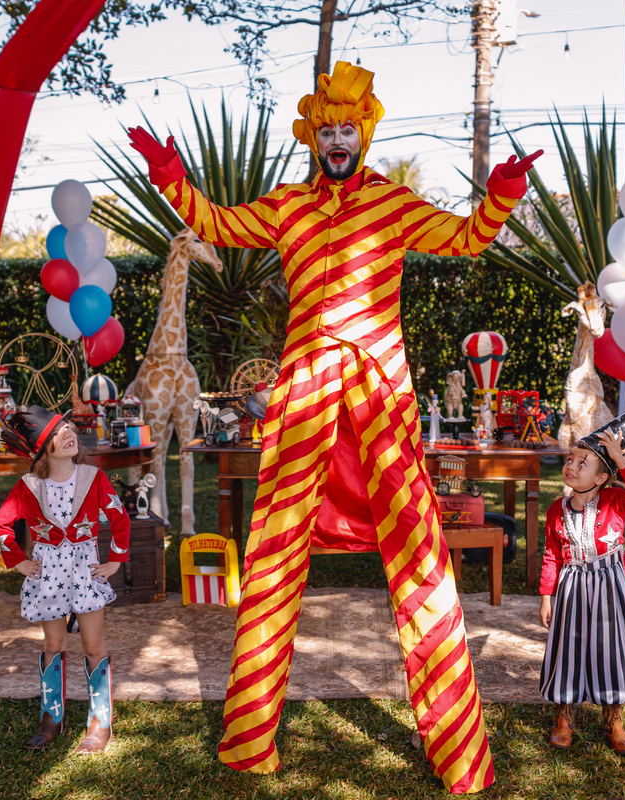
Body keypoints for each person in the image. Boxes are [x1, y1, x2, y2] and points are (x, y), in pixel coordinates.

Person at [127, 61, 541, 794]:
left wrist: (502, 193)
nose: (339, 140)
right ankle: (250, 738)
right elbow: (218, 224)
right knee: (274, 556)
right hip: (305, 392)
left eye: (349, 128)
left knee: (421, 561)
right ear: (314, 137)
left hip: (380, 394)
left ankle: (461, 755)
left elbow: (469, 237)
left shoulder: (396, 205)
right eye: (328, 130)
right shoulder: (288, 205)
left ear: (365, 132)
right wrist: (169, 174)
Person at [0, 405, 131, 754]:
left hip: (85, 571)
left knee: (93, 645)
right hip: (47, 575)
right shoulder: (28, 486)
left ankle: (100, 724)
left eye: (68, 427)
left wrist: (114, 562)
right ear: (42, 448)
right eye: (56, 432)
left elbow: (120, 518)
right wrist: (19, 562)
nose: (67, 433)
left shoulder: (92, 477)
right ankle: (51, 718)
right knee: (53, 645)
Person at [537, 392, 625, 756]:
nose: (572, 466)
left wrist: (619, 458)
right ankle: (565, 715)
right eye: (571, 459)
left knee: (612, 650)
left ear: (602, 476)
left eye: (583, 462)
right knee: (568, 648)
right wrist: (547, 596)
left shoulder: (615, 501)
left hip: (610, 587)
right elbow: (551, 554)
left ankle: (614, 718)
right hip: (572, 586)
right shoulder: (555, 510)